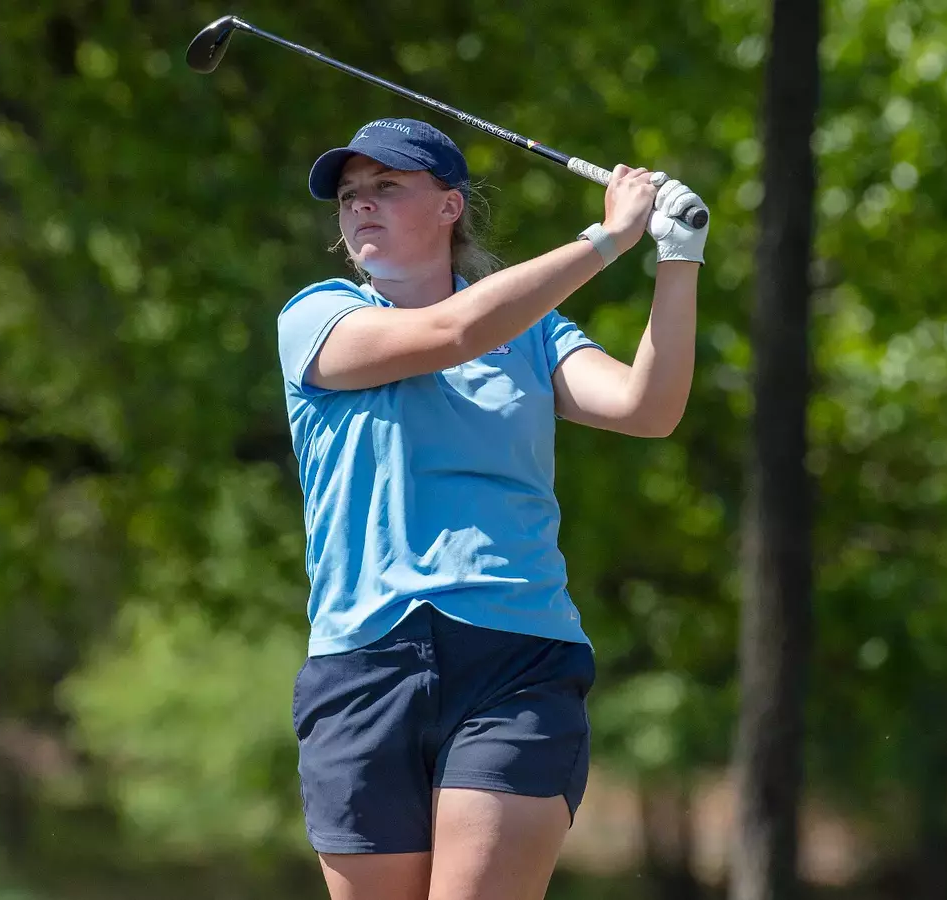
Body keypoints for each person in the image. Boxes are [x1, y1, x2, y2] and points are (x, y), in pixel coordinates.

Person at [277, 117, 707, 900]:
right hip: (363, 661)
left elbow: (649, 407)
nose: (360, 207)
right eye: (348, 196)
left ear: (449, 206)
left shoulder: (536, 334)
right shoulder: (316, 317)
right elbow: (453, 330)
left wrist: (677, 257)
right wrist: (606, 238)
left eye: (386, 188)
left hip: (518, 657)